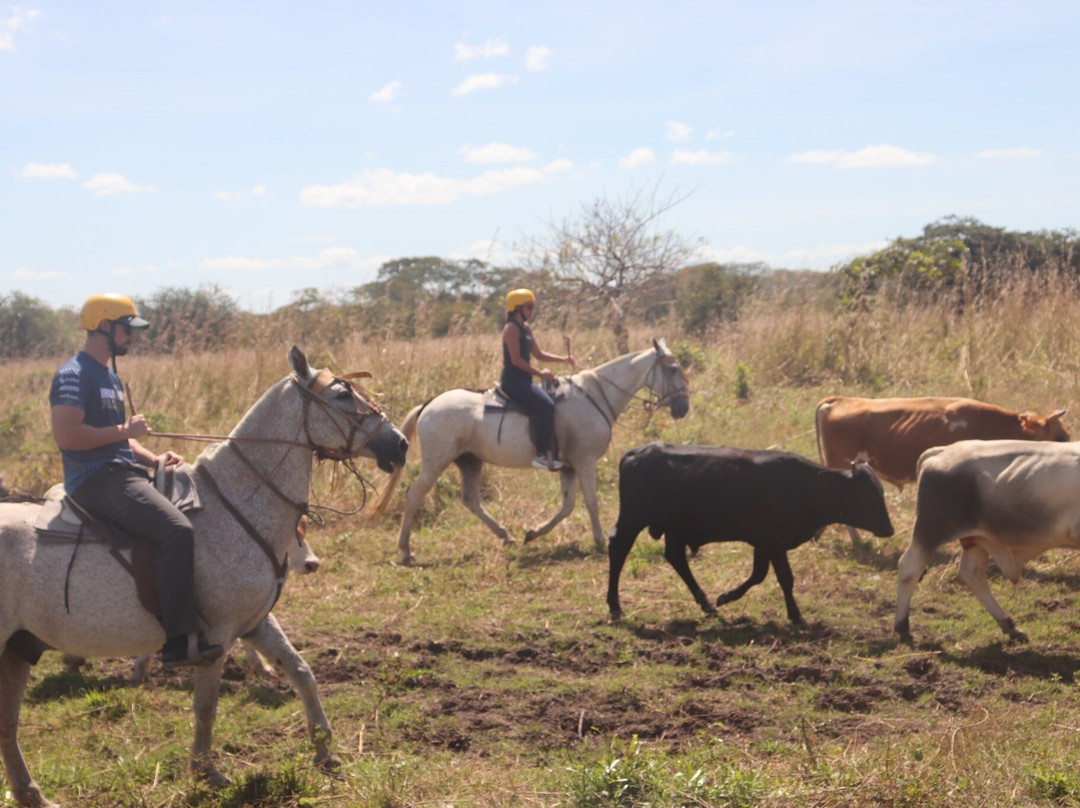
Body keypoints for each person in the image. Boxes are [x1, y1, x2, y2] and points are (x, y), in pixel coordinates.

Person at [49, 293, 223, 669]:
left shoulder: (110, 376)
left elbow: (120, 439)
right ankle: (178, 641)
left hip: (121, 471)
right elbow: (68, 435)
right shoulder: (73, 375)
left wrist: (153, 459)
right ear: (104, 326)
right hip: (94, 480)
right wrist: (125, 430)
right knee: (176, 530)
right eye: (127, 329)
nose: (132, 337)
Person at [500, 288, 576, 470]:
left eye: (532, 307)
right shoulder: (511, 330)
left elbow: (539, 354)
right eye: (529, 307)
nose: (532, 311)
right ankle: (541, 454)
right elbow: (516, 361)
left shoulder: (526, 328)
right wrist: (541, 374)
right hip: (513, 380)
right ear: (517, 308)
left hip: (524, 378)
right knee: (546, 405)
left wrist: (563, 359)